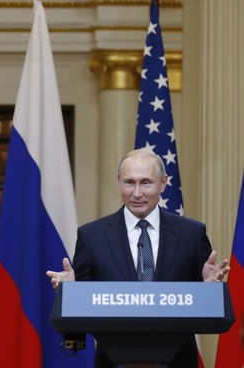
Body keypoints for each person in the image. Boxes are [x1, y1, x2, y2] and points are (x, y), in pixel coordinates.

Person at [46, 148, 230, 367]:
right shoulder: (92, 236)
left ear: (163, 183)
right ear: (119, 182)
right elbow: (80, 316)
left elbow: (203, 310)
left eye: (146, 182)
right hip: (113, 361)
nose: (136, 193)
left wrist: (208, 289)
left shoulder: (191, 234)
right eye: (129, 182)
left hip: (178, 361)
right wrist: (71, 293)